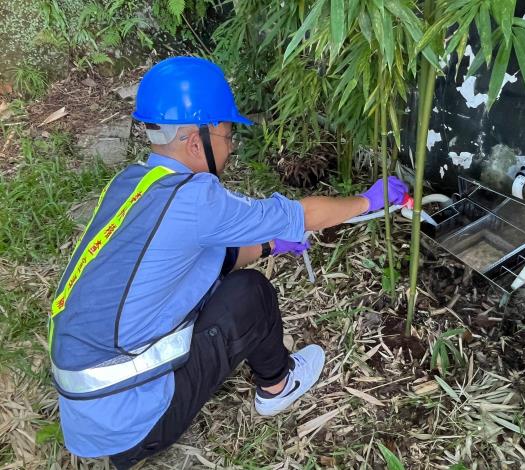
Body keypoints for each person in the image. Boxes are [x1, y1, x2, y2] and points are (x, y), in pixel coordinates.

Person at [48, 56, 409, 468]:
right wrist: (370, 199)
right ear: (194, 140)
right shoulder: (196, 198)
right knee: (249, 294)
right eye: (227, 131)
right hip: (135, 427)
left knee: (221, 279)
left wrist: (273, 246)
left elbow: (203, 257)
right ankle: (277, 388)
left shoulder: (132, 184)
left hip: (89, 415)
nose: (232, 144)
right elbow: (302, 214)